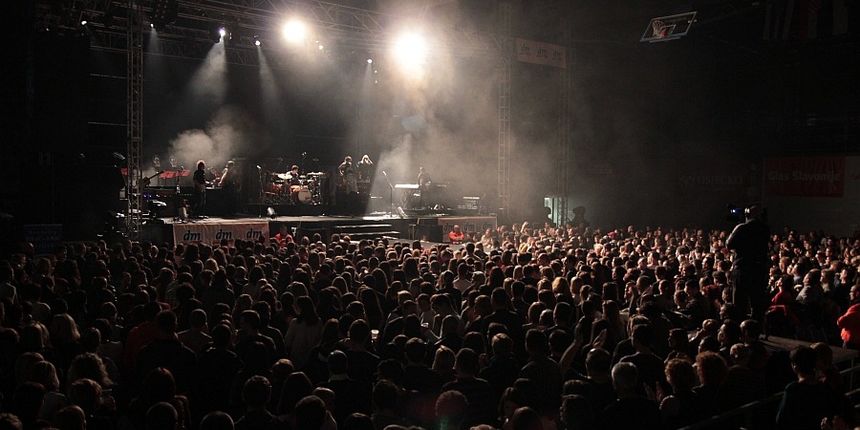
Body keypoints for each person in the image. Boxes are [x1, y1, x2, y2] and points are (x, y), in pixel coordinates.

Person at [726, 205, 770, 321]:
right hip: (759, 269)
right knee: (756, 303)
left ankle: (739, 326)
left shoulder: (742, 227)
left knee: (739, 303)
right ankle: (755, 327)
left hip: (742, 268)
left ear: (747, 214)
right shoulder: (765, 229)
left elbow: (729, 244)